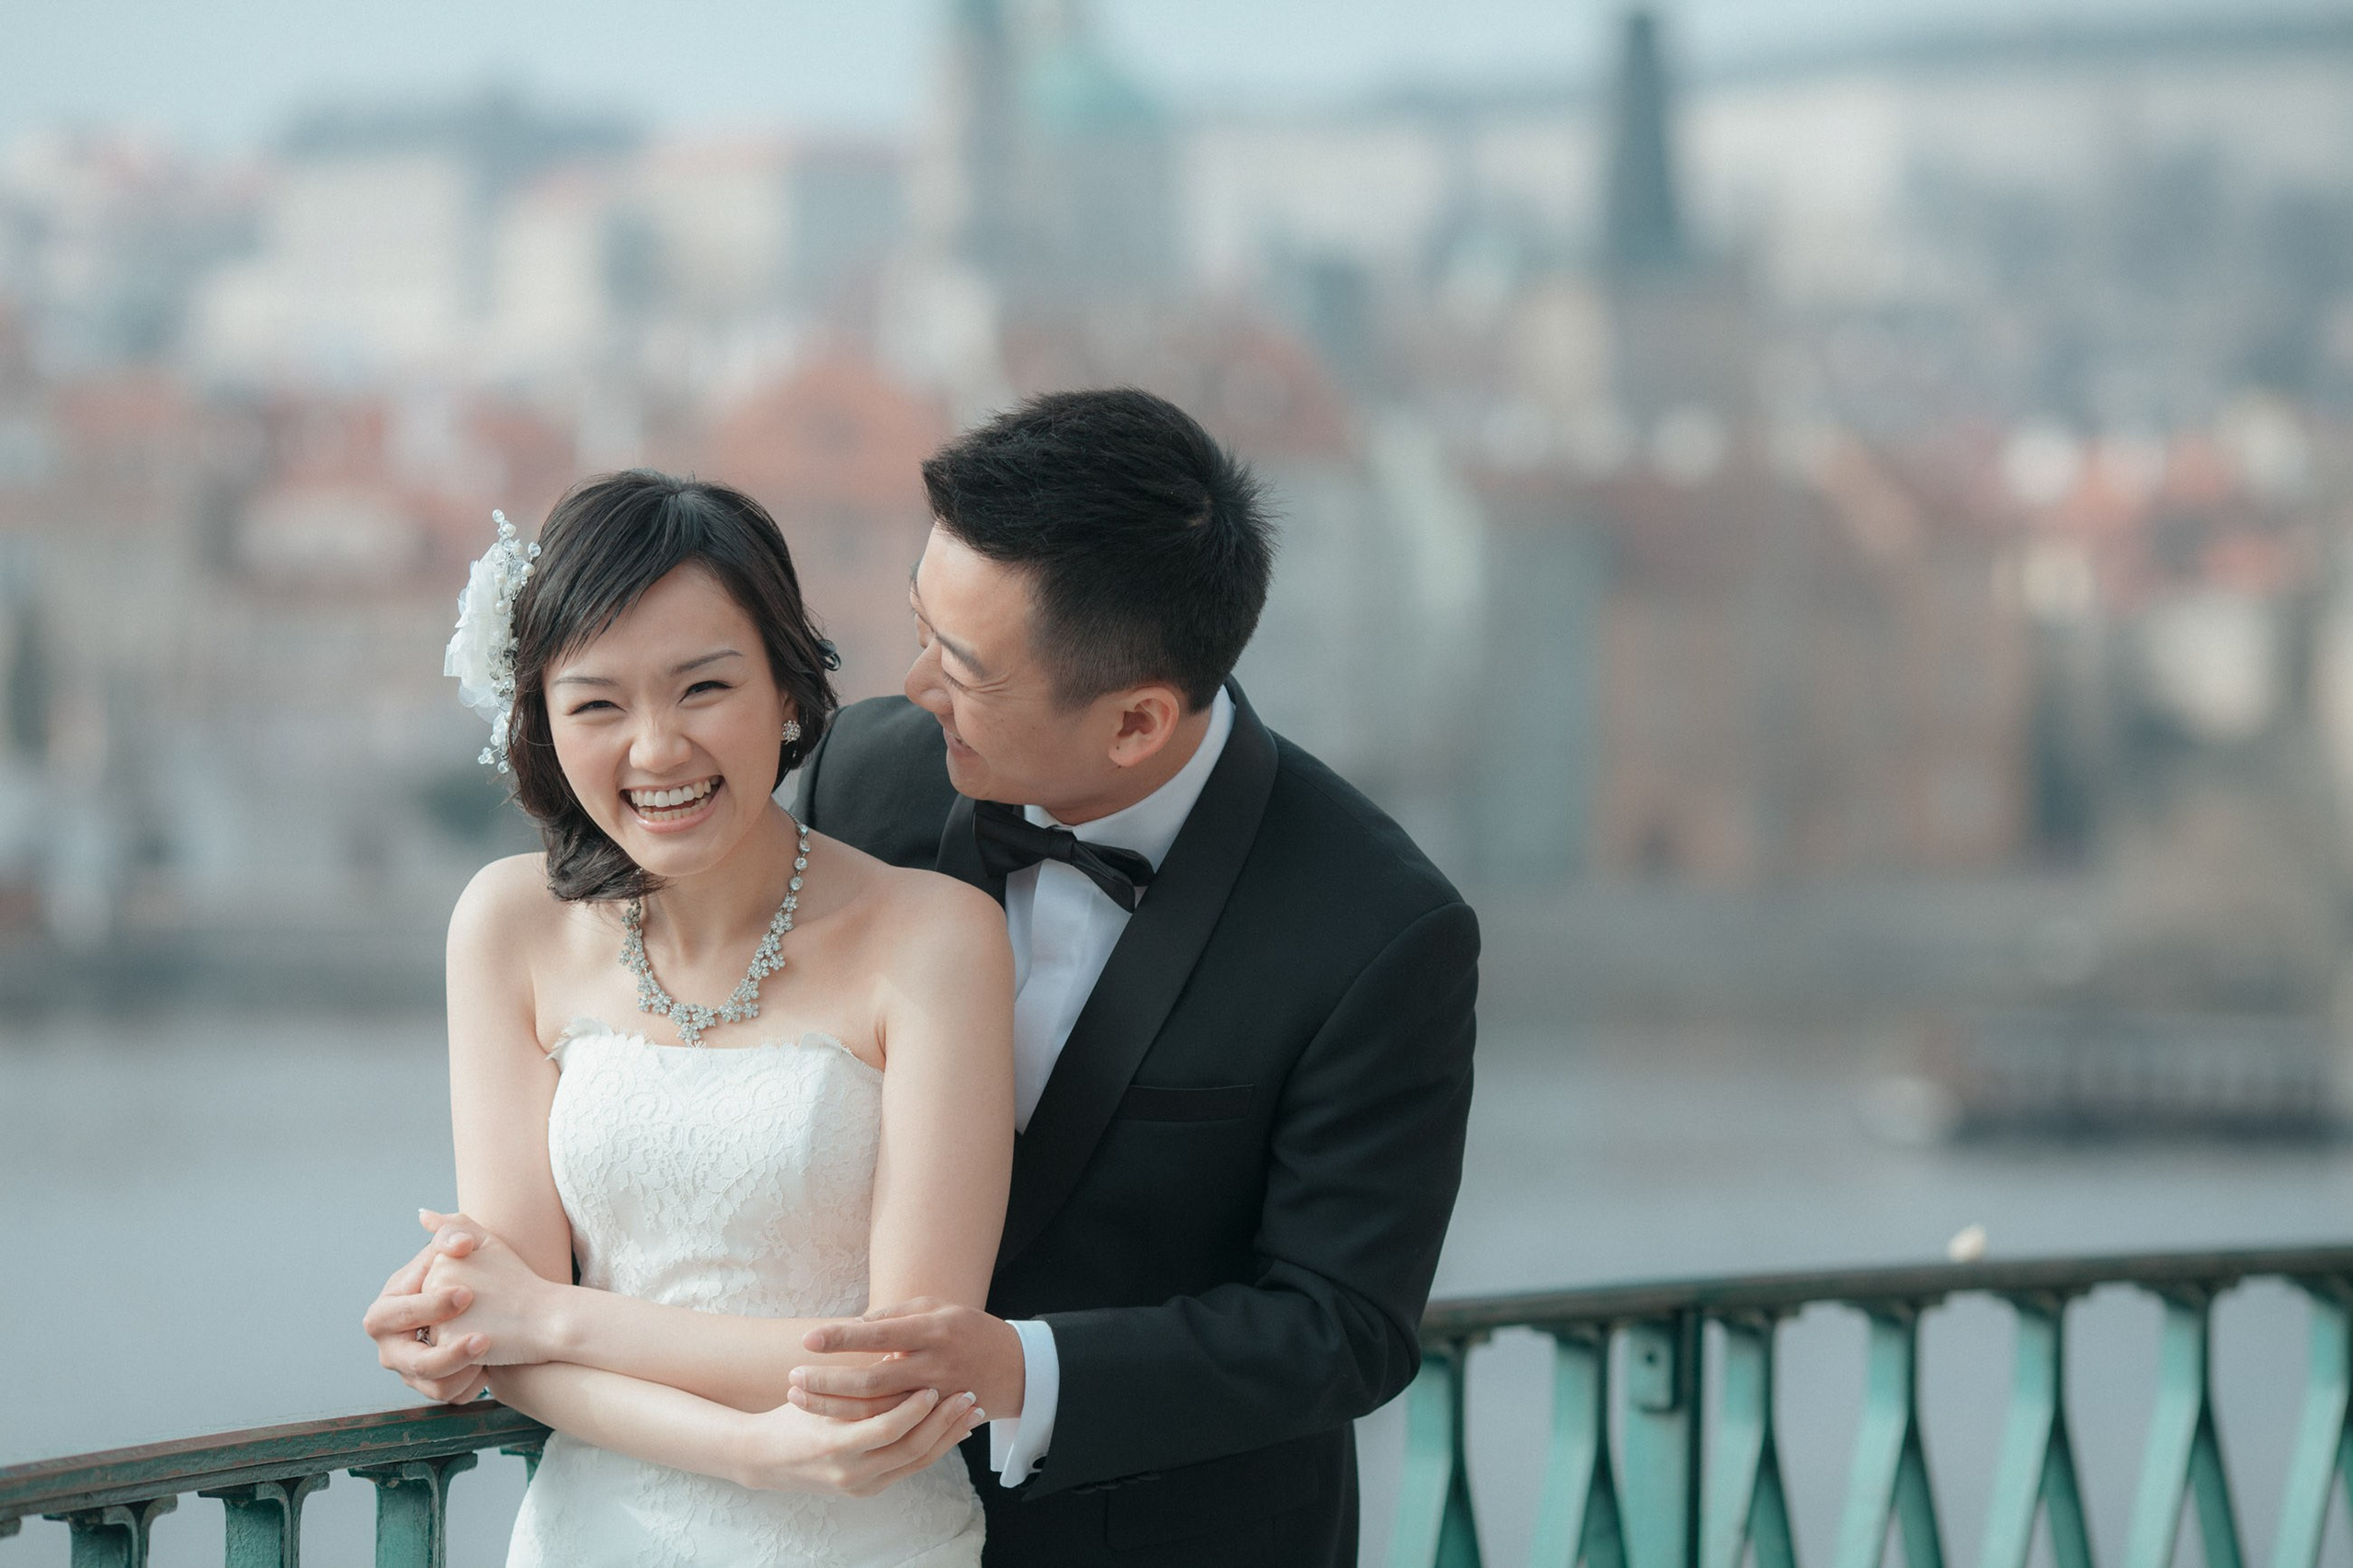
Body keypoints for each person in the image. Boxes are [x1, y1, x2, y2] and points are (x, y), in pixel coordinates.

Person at [374, 387, 1480, 1567]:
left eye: (961, 663)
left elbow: (1343, 1326)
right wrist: (474, 1300)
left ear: (1136, 720)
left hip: (1168, 1531)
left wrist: (1014, 1365)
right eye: (917, 623)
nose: (909, 684)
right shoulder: (874, 769)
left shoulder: (1376, 926)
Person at [366, 472, 1013, 1566]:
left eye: (702, 687)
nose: (656, 748)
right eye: (598, 703)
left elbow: (902, 1358)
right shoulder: (505, 925)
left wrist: (559, 1317)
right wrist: (753, 1449)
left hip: (866, 1536)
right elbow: (499, 1331)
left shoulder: (935, 936)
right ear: (541, 721)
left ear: (789, 691)